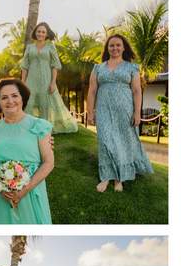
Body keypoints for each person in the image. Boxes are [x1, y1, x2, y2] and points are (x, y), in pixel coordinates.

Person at [86, 34, 153, 193]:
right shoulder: (98, 68)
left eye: (118, 45)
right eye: (111, 45)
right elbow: (92, 91)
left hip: (125, 110)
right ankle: (106, 177)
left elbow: (137, 91)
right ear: (107, 48)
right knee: (105, 142)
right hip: (103, 110)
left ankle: (118, 179)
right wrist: (90, 112)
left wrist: (137, 113)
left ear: (123, 48)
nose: (114, 48)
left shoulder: (132, 68)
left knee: (123, 143)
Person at [0, 79, 54, 224]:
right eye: (4, 97)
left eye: (14, 95)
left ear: (22, 97)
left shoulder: (38, 125)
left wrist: (24, 190)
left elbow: (49, 163)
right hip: (1, 197)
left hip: (31, 192)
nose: (10, 101)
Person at [20, 22, 78, 134]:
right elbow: (25, 66)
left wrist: (53, 82)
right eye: (39, 31)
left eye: (43, 32)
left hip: (46, 80)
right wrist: (23, 82)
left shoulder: (50, 46)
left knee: (44, 104)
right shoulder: (29, 47)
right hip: (31, 80)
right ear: (35, 33)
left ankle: (44, 130)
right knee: (29, 103)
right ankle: (27, 129)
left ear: (46, 34)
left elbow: (55, 65)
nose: (40, 34)